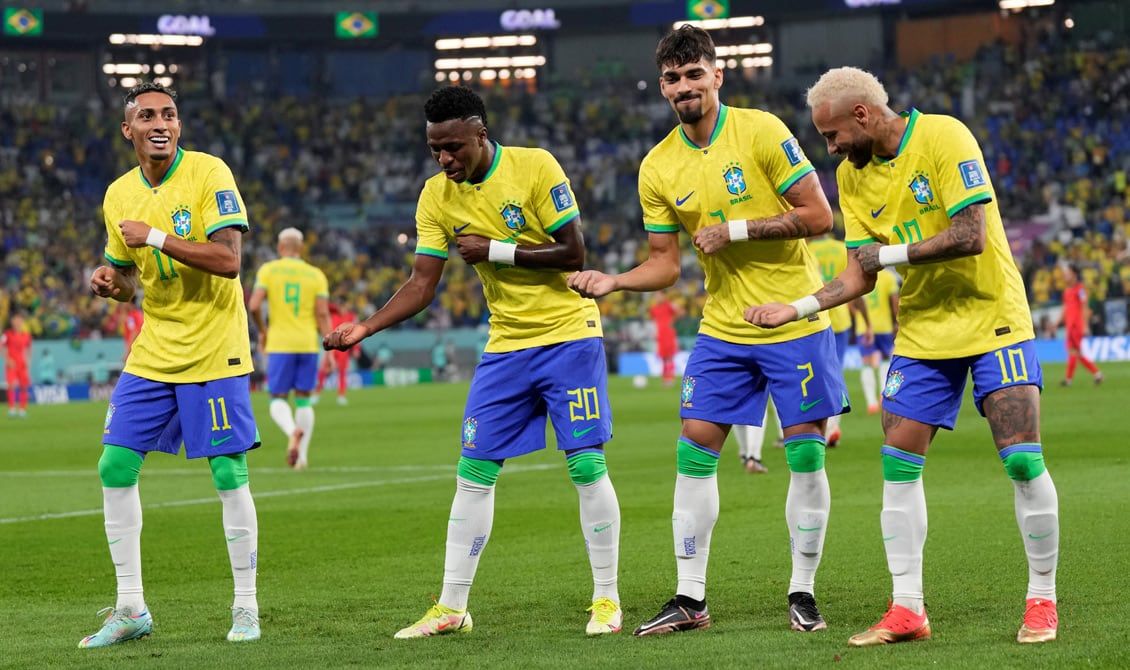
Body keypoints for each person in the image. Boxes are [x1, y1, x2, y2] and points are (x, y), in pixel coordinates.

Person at [746, 66, 1059, 645]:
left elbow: (971, 235)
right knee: (897, 465)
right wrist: (797, 307)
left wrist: (890, 256)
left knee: (1021, 460)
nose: (830, 148)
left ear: (862, 114)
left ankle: (1042, 599)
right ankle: (908, 607)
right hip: (922, 332)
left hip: (993, 317)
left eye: (833, 134)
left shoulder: (945, 136)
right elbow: (857, 274)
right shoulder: (851, 176)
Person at [568, 25, 847, 635]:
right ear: (662, 87)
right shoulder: (657, 166)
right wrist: (616, 280)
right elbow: (665, 264)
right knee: (694, 448)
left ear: (717, 76)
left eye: (695, 74)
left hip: (794, 317)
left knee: (804, 453)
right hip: (724, 326)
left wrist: (736, 231)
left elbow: (819, 215)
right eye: (673, 78)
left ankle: (803, 591)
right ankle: (690, 597)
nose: (684, 87)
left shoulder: (763, 131)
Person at [324, 86, 622, 638]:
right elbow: (422, 283)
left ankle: (606, 599)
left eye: (454, 147)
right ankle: (452, 608)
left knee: (585, 465)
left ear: (480, 134)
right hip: (505, 344)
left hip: (568, 334)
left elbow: (574, 251)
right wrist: (365, 326)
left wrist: (497, 250)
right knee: (474, 471)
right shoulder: (435, 196)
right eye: (435, 149)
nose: (444, 159)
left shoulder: (535, 167)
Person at [81, 81, 261, 647]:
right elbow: (127, 278)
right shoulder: (118, 195)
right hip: (156, 346)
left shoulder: (209, 173)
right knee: (114, 465)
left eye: (170, 115)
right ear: (128, 129)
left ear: (179, 125)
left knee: (227, 472)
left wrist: (156, 237)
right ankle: (131, 607)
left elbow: (228, 260)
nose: (160, 123)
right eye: (148, 116)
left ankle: (246, 607)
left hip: (214, 345)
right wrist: (112, 284)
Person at [248, 227, 332, 470]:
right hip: (307, 343)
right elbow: (322, 314)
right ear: (301, 248)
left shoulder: (268, 270)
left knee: (277, 398)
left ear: (280, 247)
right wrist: (329, 349)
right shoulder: (316, 275)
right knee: (304, 399)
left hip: (280, 343)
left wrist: (263, 330)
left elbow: (254, 305)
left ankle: (291, 431)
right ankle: (301, 458)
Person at [808, 232, 871, 444]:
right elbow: (856, 284)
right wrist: (867, 322)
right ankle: (832, 427)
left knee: (813, 375)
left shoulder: (806, 250)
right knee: (835, 373)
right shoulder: (841, 249)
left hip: (813, 320)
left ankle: (816, 426)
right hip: (840, 319)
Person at [856, 269, 899, 414]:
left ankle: (871, 403)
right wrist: (897, 322)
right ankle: (883, 395)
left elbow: (853, 301)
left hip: (863, 327)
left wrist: (855, 315)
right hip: (884, 326)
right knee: (886, 359)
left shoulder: (861, 275)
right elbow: (895, 302)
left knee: (866, 363)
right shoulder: (889, 277)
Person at [1059, 264, 1102, 386]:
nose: (1065, 276)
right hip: (1069, 325)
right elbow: (1065, 308)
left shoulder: (1080, 289)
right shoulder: (1067, 291)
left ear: (1074, 274)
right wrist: (1057, 322)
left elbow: (1084, 307)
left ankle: (1068, 379)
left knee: (1073, 351)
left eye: (1068, 273)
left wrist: (1085, 325)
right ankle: (1097, 373)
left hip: (1076, 325)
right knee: (1076, 353)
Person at [316, 302, 358, 405]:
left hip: (343, 349)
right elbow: (325, 305)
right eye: (341, 306)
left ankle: (341, 395)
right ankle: (316, 393)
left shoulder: (351, 317)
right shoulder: (333, 315)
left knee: (342, 372)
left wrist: (356, 348)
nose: (342, 309)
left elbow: (356, 332)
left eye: (344, 306)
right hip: (332, 348)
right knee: (324, 371)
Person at [650, 291, 683, 386]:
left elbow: (680, 312)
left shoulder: (668, 305)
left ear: (663, 296)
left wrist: (673, 321)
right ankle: (665, 378)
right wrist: (654, 332)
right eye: (656, 296)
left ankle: (670, 378)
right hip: (660, 336)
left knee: (669, 357)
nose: (657, 298)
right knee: (663, 358)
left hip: (669, 334)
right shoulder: (654, 309)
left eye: (659, 296)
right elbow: (654, 322)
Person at [2, 312, 31, 417]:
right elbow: (1, 347)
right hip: (12, 364)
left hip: (22, 364)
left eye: (20, 320)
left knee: (24, 386)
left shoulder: (26, 335)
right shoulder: (7, 334)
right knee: (11, 385)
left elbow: (29, 349)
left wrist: (28, 361)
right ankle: (12, 408)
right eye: (16, 320)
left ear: (22, 322)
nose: (18, 322)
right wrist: (7, 359)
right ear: (12, 322)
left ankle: (22, 409)